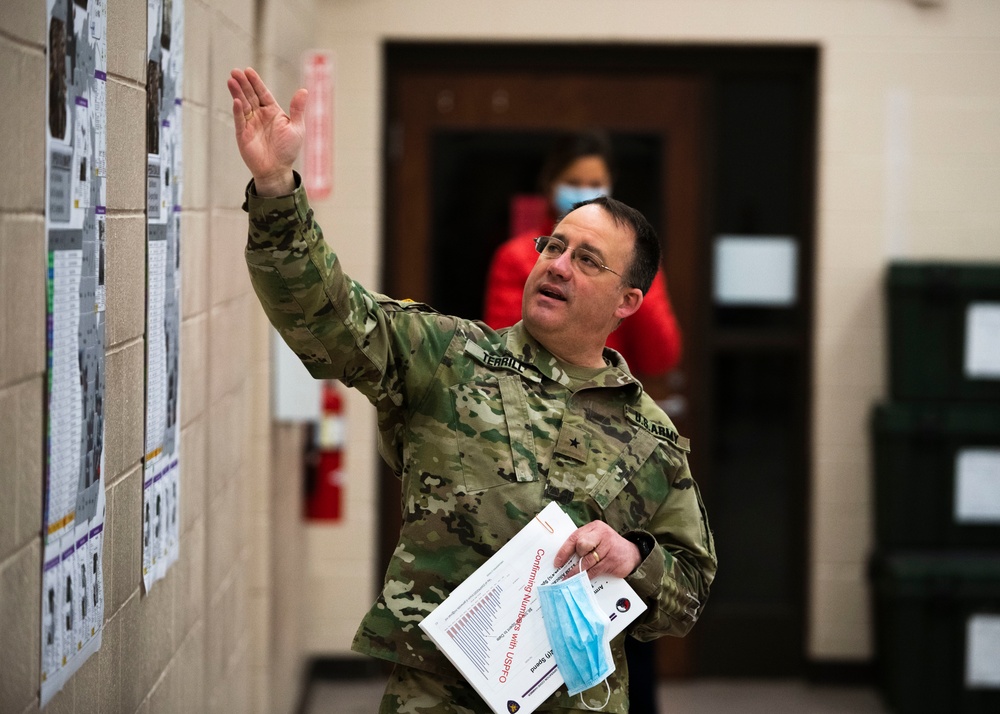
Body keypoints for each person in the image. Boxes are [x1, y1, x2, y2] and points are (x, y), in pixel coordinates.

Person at [228, 67, 716, 714]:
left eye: (587, 260)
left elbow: (689, 590)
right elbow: (327, 314)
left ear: (629, 300)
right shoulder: (450, 358)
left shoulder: (650, 437)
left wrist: (633, 556)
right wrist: (274, 186)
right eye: (555, 245)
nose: (558, 265)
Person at [483, 131, 683, 382]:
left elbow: (660, 359)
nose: (559, 267)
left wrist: (635, 270)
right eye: (574, 183)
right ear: (550, 183)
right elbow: (507, 349)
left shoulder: (628, 260)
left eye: (588, 260)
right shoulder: (516, 256)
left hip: (607, 401)